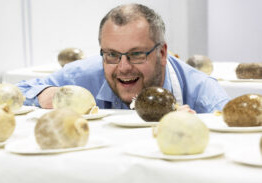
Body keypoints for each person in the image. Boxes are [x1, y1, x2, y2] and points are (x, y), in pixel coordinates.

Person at [17, 3, 230, 113]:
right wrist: (45, 95)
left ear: (162, 53)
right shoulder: (84, 74)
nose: (123, 67)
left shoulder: (204, 95)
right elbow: (17, 92)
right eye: (112, 55)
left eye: (136, 54)